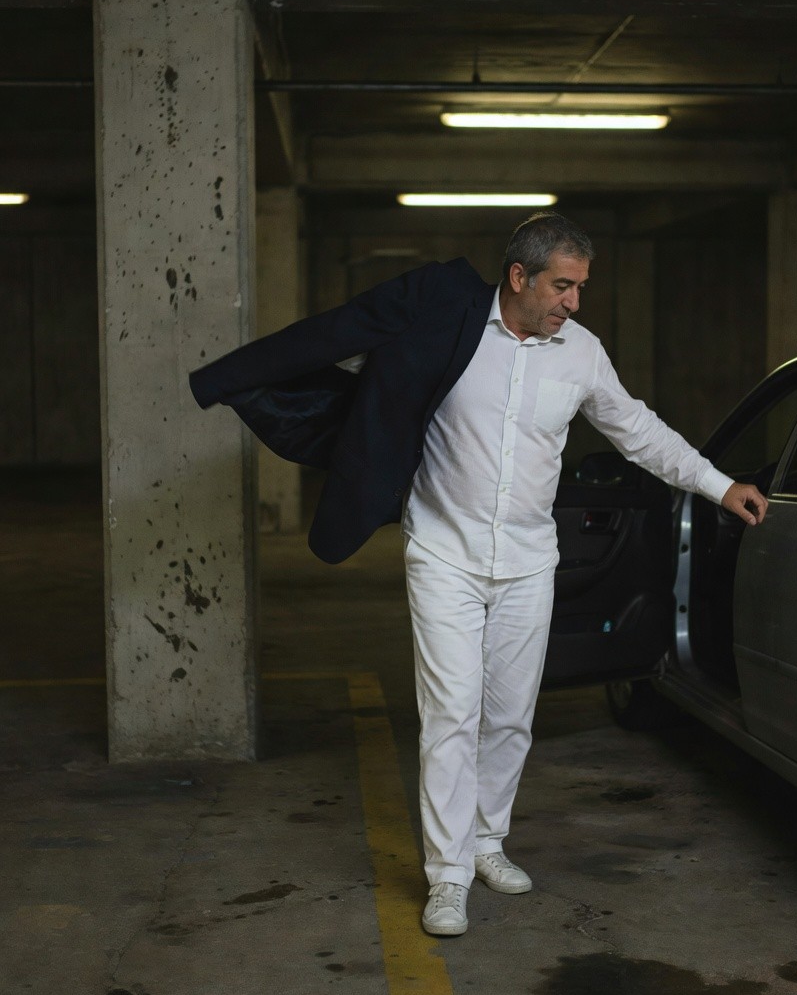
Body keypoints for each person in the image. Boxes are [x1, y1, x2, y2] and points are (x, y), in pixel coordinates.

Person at [189, 212, 766, 938]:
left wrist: (719, 485)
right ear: (519, 277)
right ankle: (448, 876)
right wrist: (235, 381)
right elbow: (340, 348)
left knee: (510, 716)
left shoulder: (581, 354)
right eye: (563, 286)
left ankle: (488, 843)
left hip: (529, 562)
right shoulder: (444, 325)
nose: (574, 302)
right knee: (451, 715)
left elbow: (638, 430)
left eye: (582, 288)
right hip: (444, 556)